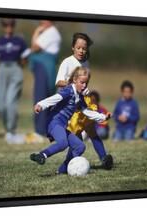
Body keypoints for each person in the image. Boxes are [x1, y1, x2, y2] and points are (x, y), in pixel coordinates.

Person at [30, 67, 111, 174]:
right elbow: (56, 98)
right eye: (82, 83)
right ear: (74, 80)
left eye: (86, 83)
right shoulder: (68, 91)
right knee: (63, 143)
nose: (84, 86)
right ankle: (41, 155)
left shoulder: (80, 97)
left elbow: (87, 112)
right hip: (54, 122)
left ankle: (62, 170)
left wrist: (103, 117)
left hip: (62, 126)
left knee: (80, 146)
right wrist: (41, 105)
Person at [55, 32, 114, 170]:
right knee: (76, 139)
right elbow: (58, 82)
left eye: (84, 48)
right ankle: (63, 169)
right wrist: (73, 85)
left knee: (91, 130)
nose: (81, 51)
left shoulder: (85, 63)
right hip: (70, 106)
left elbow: (83, 83)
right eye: (78, 48)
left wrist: (86, 90)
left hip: (82, 103)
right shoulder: (67, 62)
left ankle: (104, 159)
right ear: (72, 48)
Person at [0, 18, 30, 144]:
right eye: (5, 25)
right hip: (2, 68)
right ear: (2, 26)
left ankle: (11, 131)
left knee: (10, 102)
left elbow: (25, 58)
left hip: (15, 68)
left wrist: (19, 66)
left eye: (11, 24)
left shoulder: (19, 40)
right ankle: (8, 126)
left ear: (13, 26)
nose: (8, 27)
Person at [29, 20, 62, 141]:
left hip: (45, 69)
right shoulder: (48, 32)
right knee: (42, 97)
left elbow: (34, 47)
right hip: (43, 68)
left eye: (43, 20)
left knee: (41, 98)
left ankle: (40, 131)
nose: (40, 22)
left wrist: (36, 31)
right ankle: (43, 130)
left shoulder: (51, 32)